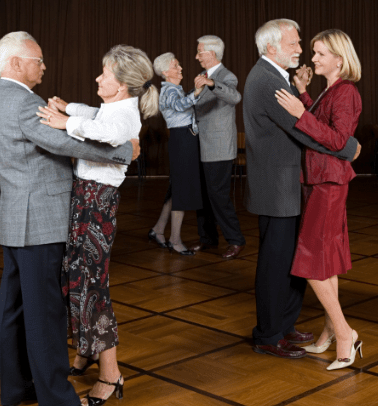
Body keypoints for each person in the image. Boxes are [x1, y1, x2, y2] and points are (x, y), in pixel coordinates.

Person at [0, 32, 139, 406]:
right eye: (38, 59)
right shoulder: (24, 102)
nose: (44, 66)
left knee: (14, 313)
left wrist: (72, 115)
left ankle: (19, 389)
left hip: (16, 222)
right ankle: (57, 399)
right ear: (17, 63)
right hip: (39, 222)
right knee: (45, 316)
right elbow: (61, 143)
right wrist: (121, 151)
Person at [37, 44, 159, 405]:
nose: (97, 78)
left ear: (121, 84)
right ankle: (86, 350)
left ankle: (111, 374)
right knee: (77, 278)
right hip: (87, 200)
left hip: (97, 204)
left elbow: (106, 133)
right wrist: (68, 107)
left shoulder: (124, 116)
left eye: (104, 74)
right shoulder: (114, 106)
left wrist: (65, 122)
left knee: (91, 286)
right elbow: (94, 114)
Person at [243, 19, 360, 359]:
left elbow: (310, 119)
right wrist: (350, 148)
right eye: (294, 44)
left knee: (291, 260)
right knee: (275, 264)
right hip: (277, 187)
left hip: (290, 186)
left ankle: (284, 324)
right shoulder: (266, 81)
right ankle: (268, 334)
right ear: (271, 48)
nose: (300, 49)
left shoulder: (277, 76)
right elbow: (305, 131)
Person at [275, 29, 363, 370]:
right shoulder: (334, 89)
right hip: (320, 180)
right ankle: (329, 329)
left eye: (320, 53)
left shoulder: (347, 91)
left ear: (339, 59)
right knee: (325, 258)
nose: (313, 58)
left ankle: (344, 334)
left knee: (312, 262)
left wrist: (300, 112)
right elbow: (323, 122)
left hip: (328, 183)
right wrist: (303, 95)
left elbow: (339, 140)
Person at [189, 35, 246, 259]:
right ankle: (208, 238)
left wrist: (212, 84)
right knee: (202, 195)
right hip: (201, 145)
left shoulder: (225, 76)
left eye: (199, 51)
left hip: (219, 147)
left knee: (218, 196)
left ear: (211, 54)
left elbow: (234, 97)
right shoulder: (202, 76)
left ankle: (235, 240)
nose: (196, 56)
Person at [149, 52, 204, 255]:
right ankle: (175, 240)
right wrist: (197, 92)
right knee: (181, 191)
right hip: (182, 141)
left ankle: (158, 230)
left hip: (185, 140)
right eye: (175, 65)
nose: (180, 68)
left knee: (175, 190)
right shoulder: (169, 92)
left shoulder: (175, 89)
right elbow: (181, 105)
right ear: (165, 72)